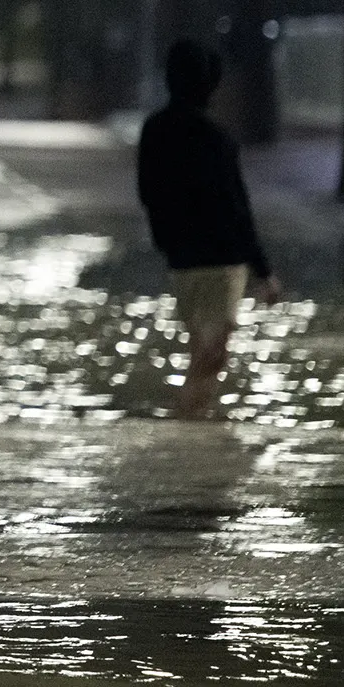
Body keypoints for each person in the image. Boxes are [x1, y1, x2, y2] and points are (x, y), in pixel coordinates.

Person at [136, 39, 278, 418]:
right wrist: (262, 270)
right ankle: (186, 421)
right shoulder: (216, 139)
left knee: (203, 347)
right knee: (211, 353)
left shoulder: (154, 131)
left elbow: (148, 193)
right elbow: (236, 208)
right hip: (222, 261)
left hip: (182, 261)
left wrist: (165, 240)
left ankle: (198, 420)